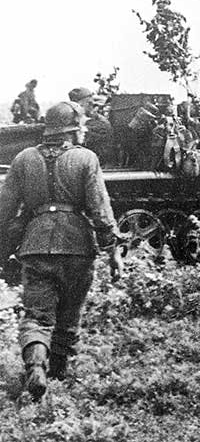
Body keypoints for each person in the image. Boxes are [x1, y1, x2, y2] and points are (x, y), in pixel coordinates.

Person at [0, 101, 123, 400]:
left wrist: (4, 251)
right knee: (69, 316)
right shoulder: (86, 159)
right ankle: (58, 372)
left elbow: (4, 209)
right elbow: (99, 208)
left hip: (35, 245)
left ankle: (36, 369)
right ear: (72, 130)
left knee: (36, 317)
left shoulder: (23, 159)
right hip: (78, 247)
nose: (83, 132)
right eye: (80, 127)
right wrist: (113, 249)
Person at [68, 87, 116, 167]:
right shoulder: (75, 120)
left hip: (99, 164)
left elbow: (81, 138)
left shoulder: (100, 122)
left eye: (90, 103)